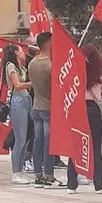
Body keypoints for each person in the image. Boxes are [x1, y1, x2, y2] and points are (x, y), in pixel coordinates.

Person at [67, 45, 102, 195]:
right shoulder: (99, 74)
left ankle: (71, 184)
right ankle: (98, 184)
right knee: (95, 147)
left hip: (77, 110)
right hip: (93, 110)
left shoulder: (74, 73)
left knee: (75, 146)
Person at [28, 32, 63, 188]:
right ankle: (49, 176)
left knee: (38, 141)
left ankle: (38, 175)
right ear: (48, 43)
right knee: (49, 143)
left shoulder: (32, 64)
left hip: (36, 106)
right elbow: (54, 88)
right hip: (49, 108)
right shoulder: (50, 65)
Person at [3, 44, 34, 185]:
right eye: (21, 51)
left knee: (26, 138)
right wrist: (33, 83)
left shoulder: (21, 66)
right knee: (19, 139)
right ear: (15, 52)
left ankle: (20, 170)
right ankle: (16, 172)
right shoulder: (10, 66)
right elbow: (17, 85)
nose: (23, 53)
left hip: (26, 100)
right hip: (18, 101)